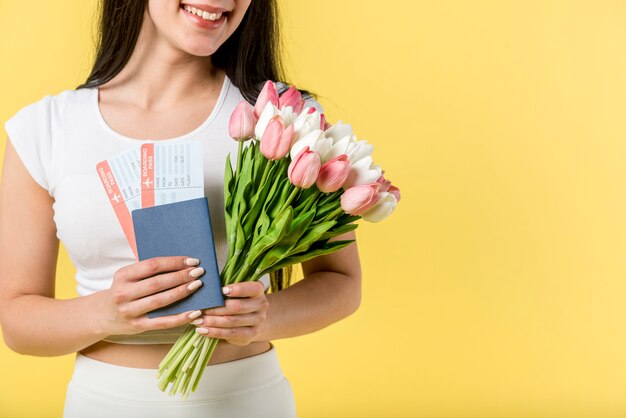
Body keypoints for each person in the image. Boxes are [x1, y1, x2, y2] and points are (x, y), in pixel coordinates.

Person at [0, 1, 361, 417]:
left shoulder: (282, 118)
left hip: (247, 401)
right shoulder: (45, 129)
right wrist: (104, 312)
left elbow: (342, 282)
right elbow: (17, 322)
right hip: (103, 404)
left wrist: (262, 317)